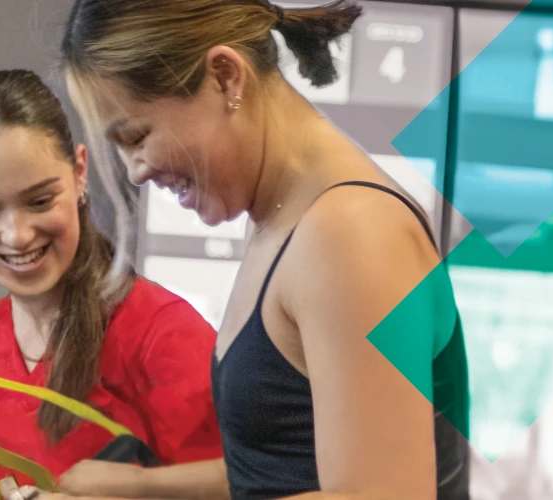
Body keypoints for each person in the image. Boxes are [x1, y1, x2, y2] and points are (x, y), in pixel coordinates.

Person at [44, 0, 472, 499]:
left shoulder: (351, 234)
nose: (136, 170)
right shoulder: (284, 214)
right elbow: (278, 471)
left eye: (137, 136)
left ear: (226, 77)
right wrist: (142, 489)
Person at [0, 69, 225, 498]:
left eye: (39, 201)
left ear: (79, 173)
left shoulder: (160, 333)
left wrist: (138, 490)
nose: (17, 235)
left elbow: (258, 481)